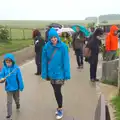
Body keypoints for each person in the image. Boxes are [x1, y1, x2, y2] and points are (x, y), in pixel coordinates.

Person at [41, 28, 70, 119]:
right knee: (55, 91)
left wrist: (66, 74)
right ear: (49, 38)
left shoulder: (63, 47)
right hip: (51, 73)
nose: (53, 39)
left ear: (57, 37)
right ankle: (59, 106)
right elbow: (44, 61)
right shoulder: (46, 47)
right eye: (51, 38)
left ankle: (60, 108)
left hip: (60, 73)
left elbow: (66, 61)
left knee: (57, 91)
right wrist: (44, 74)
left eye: (55, 37)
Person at [0, 53, 24, 120]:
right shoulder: (4, 68)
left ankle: (17, 104)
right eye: (6, 62)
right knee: (9, 102)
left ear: (12, 61)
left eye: (9, 62)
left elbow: (19, 78)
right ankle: (9, 114)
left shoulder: (16, 68)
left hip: (16, 88)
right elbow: (1, 75)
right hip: (8, 89)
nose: (8, 63)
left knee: (16, 99)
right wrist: (1, 79)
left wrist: (21, 86)